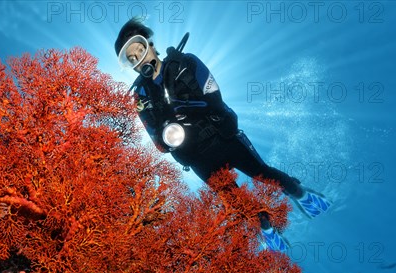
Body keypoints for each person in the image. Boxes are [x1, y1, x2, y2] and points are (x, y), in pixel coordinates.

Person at [114, 18, 331, 252]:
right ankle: (266, 228)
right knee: (233, 198)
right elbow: (157, 142)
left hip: (223, 137)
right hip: (196, 156)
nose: (139, 60)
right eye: (132, 59)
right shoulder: (141, 97)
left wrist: (189, 108)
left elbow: (214, 96)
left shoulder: (186, 63)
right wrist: (168, 134)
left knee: (262, 173)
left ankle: (300, 194)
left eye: (141, 50)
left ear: (151, 46)